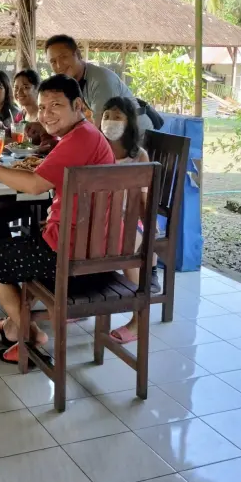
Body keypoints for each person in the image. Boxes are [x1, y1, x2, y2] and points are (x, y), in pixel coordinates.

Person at [0, 74, 114, 364]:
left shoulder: (80, 138)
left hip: (74, 257)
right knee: (16, 231)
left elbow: (36, 185)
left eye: (55, 106)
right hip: (94, 245)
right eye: (43, 106)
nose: (46, 113)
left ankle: (29, 332)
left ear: (78, 105)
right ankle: (14, 325)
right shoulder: (82, 135)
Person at [100, 97, 161, 343]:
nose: (110, 122)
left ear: (129, 123)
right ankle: (77, 301)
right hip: (98, 218)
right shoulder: (96, 149)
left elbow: (143, 199)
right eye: (106, 116)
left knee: (127, 244)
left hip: (128, 217)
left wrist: (149, 227)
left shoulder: (139, 156)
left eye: (117, 117)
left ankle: (138, 321)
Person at [45, 34, 162, 135]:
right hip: (115, 137)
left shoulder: (100, 80)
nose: (59, 65)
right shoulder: (73, 83)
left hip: (136, 137)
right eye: (53, 61)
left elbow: (100, 128)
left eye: (63, 57)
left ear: (78, 54)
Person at [12, 69, 55, 152]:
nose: (19, 92)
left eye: (25, 87)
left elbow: (50, 145)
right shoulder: (21, 115)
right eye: (16, 88)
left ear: (37, 89)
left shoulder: (46, 116)